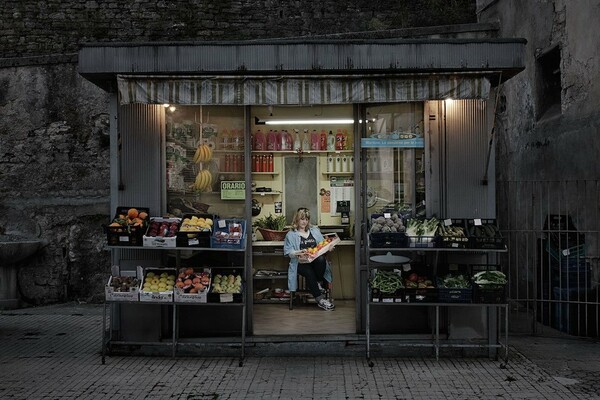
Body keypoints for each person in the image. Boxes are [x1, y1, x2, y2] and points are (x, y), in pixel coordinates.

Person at [283, 207, 335, 311]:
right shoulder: (291, 234)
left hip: (315, 262)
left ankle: (315, 283)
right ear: (297, 219)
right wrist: (299, 252)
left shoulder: (315, 231)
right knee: (308, 271)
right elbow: (288, 252)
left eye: (306, 219)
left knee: (321, 259)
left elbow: (322, 245)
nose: (304, 222)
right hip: (300, 263)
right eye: (302, 219)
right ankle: (320, 300)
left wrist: (329, 247)